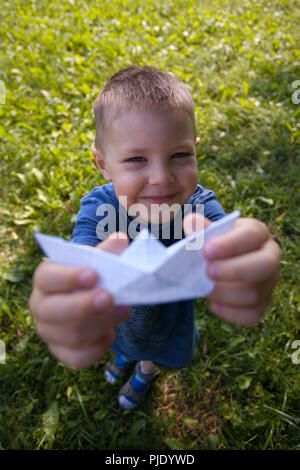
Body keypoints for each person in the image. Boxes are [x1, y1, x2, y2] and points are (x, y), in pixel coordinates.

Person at [29, 66, 281, 410]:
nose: (161, 178)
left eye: (179, 155)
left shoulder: (198, 207)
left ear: (195, 150)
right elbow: (82, 255)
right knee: (124, 347)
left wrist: (245, 260)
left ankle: (145, 372)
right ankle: (121, 360)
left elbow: (228, 240)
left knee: (152, 355)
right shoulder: (99, 207)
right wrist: (73, 291)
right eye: (136, 159)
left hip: (169, 326)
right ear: (103, 164)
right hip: (117, 324)